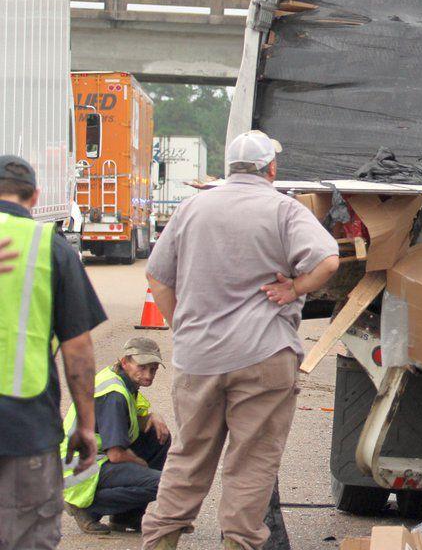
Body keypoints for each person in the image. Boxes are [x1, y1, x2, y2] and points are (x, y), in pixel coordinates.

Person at [141, 130, 340, 550]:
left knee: (189, 456)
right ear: (271, 168)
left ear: (229, 167)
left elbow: (158, 277)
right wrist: (295, 289)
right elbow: (328, 260)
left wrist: (182, 327)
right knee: (252, 462)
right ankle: (238, 543)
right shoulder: (283, 209)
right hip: (263, 354)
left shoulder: (192, 208)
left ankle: (161, 540)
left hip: (199, 359)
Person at [0, 154, 107, 549]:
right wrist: (85, 423)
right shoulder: (53, 249)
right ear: (36, 197)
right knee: (27, 536)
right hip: (24, 426)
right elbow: (77, 351)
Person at [62, 337, 171, 534]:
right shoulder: (114, 395)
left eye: (153, 369)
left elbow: (137, 414)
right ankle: (86, 508)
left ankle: (126, 518)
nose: (148, 375)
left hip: (91, 458)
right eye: (143, 367)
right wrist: (141, 464)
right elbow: (116, 455)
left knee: (158, 435)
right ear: (125, 362)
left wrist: (154, 416)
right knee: (165, 484)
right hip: (81, 469)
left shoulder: (120, 378)